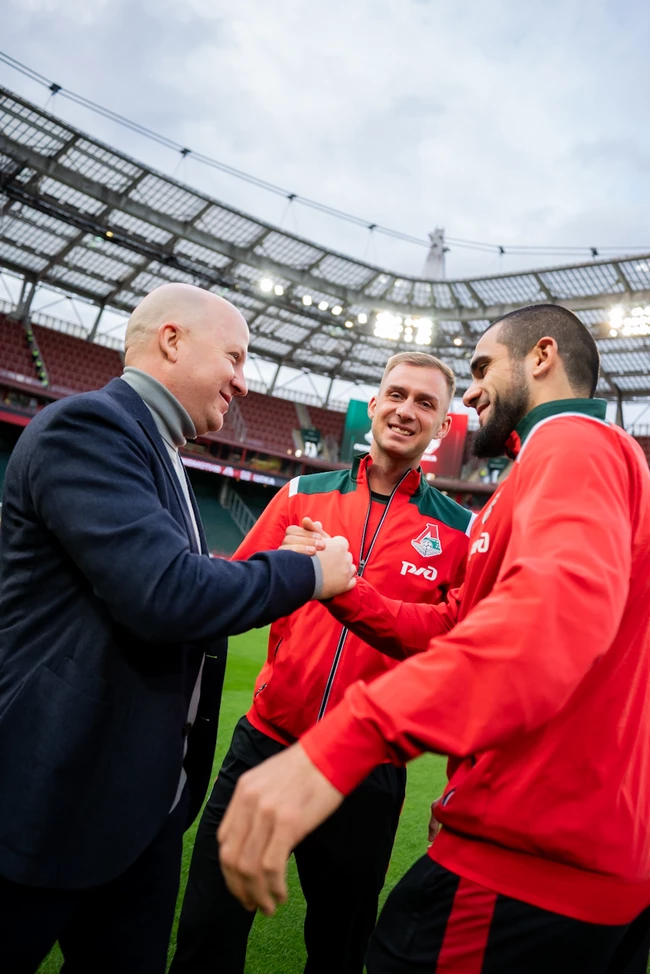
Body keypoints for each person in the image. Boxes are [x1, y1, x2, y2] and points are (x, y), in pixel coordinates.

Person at [218, 304, 650, 973]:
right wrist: (343, 588)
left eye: (480, 369)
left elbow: (547, 624)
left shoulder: (572, 443)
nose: (471, 394)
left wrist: (348, 740)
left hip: (525, 858)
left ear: (541, 357)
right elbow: (454, 629)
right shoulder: (551, 471)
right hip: (573, 856)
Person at [0, 282, 355, 974]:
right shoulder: (90, 428)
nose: (244, 383)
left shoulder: (159, 448)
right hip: (50, 801)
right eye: (235, 358)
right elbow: (165, 594)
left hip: (140, 813)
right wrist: (309, 573)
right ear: (171, 341)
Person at [170, 351, 474, 974]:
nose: (406, 411)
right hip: (266, 743)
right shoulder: (300, 494)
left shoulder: (460, 532)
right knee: (207, 927)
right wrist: (280, 570)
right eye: (396, 395)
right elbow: (233, 595)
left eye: (425, 403)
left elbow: (455, 654)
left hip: (367, 766)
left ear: (444, 426)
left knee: (339, 946)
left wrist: (456, 790)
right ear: (374, 403)